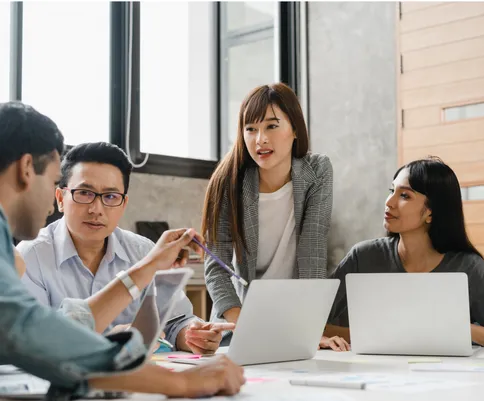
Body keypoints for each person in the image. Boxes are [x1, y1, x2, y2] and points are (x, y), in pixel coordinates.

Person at [0, 101, 244, 398]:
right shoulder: (25, 253)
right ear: (28, 169)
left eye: (110, 196)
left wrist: (151, 271)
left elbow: (46, 329)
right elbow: (38, 338)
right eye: (56, 183)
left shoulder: (140, 248)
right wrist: (180, 383)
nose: (52, 206)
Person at [18, 142, 232, 354]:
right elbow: (36, 343)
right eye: (84, 193)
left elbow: (176, 322)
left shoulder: (143, 251)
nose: (96, 209)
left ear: (123, 204)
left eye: (110, 197)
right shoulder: (31, 256)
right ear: (60, 199)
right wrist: (109, 341)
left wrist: (194, 336)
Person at [323, 157, 484, 350]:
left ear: (430, 213)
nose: (389, 202)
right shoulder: (363, 257)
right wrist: (329, 337)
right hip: (375, 372)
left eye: (405, 196)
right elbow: (314, 322)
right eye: (392, 191)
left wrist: (455, 328)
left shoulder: (469, 267)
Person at [201, 83, 333, 328]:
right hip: (240, 318)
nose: (260, 139)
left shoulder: (317, 171)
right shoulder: (227, 181)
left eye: (272, 126)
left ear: (295, 128)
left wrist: (311, 327)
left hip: (294, 316)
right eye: (251, 129)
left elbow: (313, 250)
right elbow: (216, 267)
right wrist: (246, 327)